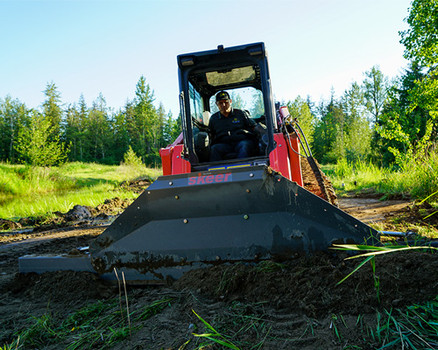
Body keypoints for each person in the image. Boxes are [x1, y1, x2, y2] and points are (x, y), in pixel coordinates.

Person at [208, 91, 257, 161]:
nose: (224, 105)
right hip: (224, 145)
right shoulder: (214, 119)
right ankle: (216, 171)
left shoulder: (241, 114)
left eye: (226, 102)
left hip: (241, 142)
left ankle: (242, 168)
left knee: (245, 145)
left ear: (230, 101)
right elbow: (210, 134)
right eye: (220, 103)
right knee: (214, 149)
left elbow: (254, 126)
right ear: (216, 104)